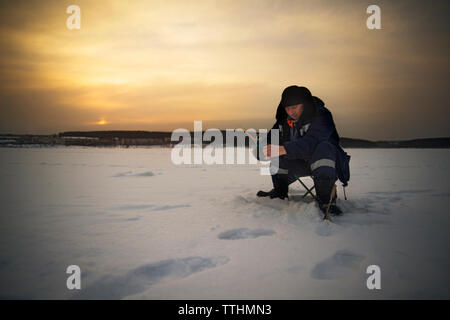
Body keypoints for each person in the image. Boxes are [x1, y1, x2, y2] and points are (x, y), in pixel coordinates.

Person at [256, 85, 350, 216]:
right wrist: (261, 149)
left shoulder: (322, 115)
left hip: (323, 163)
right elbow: (270, 138)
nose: (291, 112)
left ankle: (326, 200)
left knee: (324, 147)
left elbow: (313, 141)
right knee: (276, 154)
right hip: (298, 163)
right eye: (287, 108)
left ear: (305, 104)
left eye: (294, 107)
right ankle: (279, 192)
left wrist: (284, 149)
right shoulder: (284, 121)